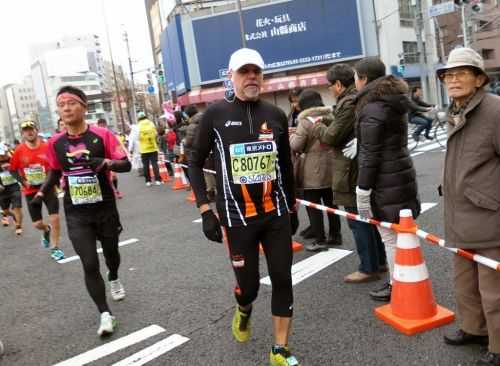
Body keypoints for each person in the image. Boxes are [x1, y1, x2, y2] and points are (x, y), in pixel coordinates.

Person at [189, 48, 300, 366]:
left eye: (256, 72)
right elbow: (194, 163)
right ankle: (244, 308)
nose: (251, 77)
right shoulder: (215, 114)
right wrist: (205, 210)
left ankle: (280, 349)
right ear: (231, 76)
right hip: (237, 218)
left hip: (275, 212)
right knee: (248, 287)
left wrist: (292, 208)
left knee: (282, 277)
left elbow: (285, 167)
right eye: (244, 72)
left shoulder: (275, 114)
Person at [34, 86, 131, 336]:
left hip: (105, 207)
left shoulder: (102, 135)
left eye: (71, 103)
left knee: (111, 255)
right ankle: (105, 313)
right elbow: (55, 171)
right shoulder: (55, 143)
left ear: (84, 107)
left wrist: (106, 163)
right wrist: (42, 192)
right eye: (61, 104)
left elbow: (126, 164)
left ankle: (114, 276)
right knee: (89, 262)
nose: (66, 108)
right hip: (76, 212)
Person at [435, 48, 500, 366]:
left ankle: (499, 344)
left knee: (494, 289)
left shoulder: (494, 110)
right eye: (449, 74)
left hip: (489, 215)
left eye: (462, 73)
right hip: (460, 215)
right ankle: (474, 329)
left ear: (478, 79)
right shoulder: (457, 108)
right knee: (465, 281)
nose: (454, 79)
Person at [311, 63, 387, 282]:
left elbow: (331, 137)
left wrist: (316, 126)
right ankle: (378, 262)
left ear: (337, 84)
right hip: (358, 166)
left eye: (330, 85)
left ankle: (368, 267)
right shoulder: (357, 100)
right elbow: (342, 127)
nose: (330, 89)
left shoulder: (348, 102)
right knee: (367, 217)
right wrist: (328, 120)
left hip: (350, 169)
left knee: (357, 219)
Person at [353, 57, 420, 302]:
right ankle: (406, 279)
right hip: (401, 172)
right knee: (402, 235)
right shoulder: (392, 100)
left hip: (385, 179)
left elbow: (370, 154)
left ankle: (397, 284)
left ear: (364, 78)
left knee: (390, 237)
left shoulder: (373, 107)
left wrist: (362, 189)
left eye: (355, 77)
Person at [290, 89, 341, 251]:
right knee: (331, 204)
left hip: (312, 170)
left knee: (313, 206)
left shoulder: (305, 121)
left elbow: (296, 145)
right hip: (332, 167)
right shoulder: (331, 117)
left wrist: (291, 136)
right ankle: (335, 235)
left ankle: (320, 239)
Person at [9, 120, 65, 261]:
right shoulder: (19, 151)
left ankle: (55, 248)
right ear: (23, 133)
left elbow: (55, 167)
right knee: (37, 224)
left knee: (55, 218)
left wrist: (56, 182)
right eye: (26, 130)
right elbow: (13, 170)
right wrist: (23, 181)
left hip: (47, 188)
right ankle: (46, 230)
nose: (29, 132)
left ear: (36, 130)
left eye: (31, 129)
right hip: (30, 191)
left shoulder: (47, 147)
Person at [129, 111, 161, 186]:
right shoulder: (151, 123)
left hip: (143, 149)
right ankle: (158, 180)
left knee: (145, 165)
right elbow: (156, 134)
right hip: (153, 147)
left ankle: (148, 181)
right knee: (154, 164)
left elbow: (136, 138)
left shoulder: (137, 126)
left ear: (139, 118)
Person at [97, 118, 124, 199]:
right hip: (101, 159)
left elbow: (116, 145)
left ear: (106, 125)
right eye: (100, 126)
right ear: (98, 126)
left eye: (103, 126)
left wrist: (119, 156)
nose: (102, 127)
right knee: (104, 177)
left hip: (111, 159)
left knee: (114, 176)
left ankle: (116, 190)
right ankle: (107, 192)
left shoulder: (109, 133)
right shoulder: (96, 134)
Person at [0, 143, 23, 235]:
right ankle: (13, 216)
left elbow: (21, 168)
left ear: (6, 151)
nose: (1, 156)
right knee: (5, 211)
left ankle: (18, 225)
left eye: (3, 154)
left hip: (14, 186)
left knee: (17, 207)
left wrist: (22, 181)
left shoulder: (12, 158)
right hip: (2, 190)